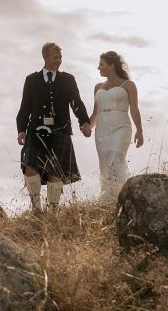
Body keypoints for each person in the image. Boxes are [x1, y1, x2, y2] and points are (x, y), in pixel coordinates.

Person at [17, 42, 92, 212]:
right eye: (55, 57)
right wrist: (21, 129)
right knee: (30, 167)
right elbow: (25, 106)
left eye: (60, 58)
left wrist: (84, 122)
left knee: (55, 172)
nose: (58, 61)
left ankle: (53, 213)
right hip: (35, 131)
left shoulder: (68, 79)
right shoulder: (31, 80)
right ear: (45, 57)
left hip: (60, 130)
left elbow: (76, 103)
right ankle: (36, 210)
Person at [87, 50, 143, 205]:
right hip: (102, 129)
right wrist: (87, 127)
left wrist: (140, 130)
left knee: (115, 158)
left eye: (101, 65)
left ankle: (124, 197)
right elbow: (95, 113)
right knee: (105, 164)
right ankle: (109, 200)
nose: (98, 68)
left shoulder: (129, 85)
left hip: (121, 126)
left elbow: (134, 109)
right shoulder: (97, 87)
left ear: (111, 66)